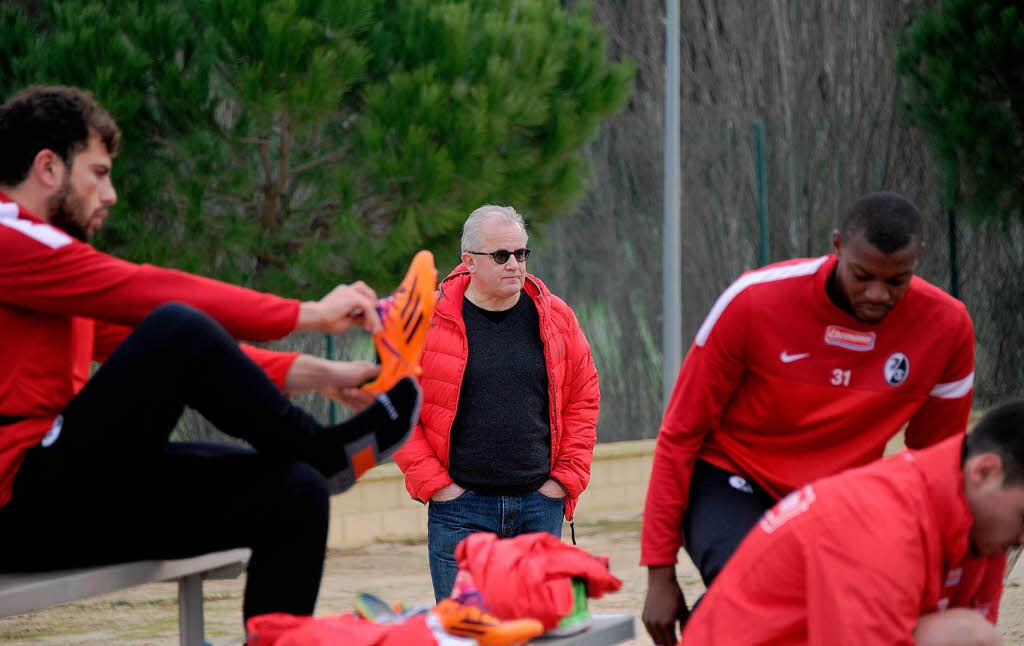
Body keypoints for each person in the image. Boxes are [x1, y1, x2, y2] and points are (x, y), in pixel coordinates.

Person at [0, 85, 423, 623]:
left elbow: (194, 354)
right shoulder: (9, 238)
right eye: (99, 173)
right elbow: (164, 306)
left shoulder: (47, 275)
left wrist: (327, 373)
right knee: (175, 322)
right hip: (20, 505)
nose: (110, 195)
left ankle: (320, 468)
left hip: (67, 501)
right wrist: (309, 313)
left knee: (297, 493)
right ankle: (319, 447)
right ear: (48, 167)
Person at [641, 192, 977, 645]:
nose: (878, 294)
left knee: (843, 614)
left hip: (838, 500)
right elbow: (681, 434)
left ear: (919, 261)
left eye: (898, 280)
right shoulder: (754, 300)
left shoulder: (947, 327)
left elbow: (937, 461)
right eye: (863, 275)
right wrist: (659, 573)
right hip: (734, 481)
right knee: (759, 593)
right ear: (837, 246)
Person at [680, 400, 1024, 645]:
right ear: (984, 471)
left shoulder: (984, 529)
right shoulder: (882, 525)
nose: (1023, 539)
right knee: (967, 636)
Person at [393, 205, 600, 600]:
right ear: (468, 261)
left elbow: (584, 398)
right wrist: (437, 487)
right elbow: (395, 410)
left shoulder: (555, 317)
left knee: (536, 635)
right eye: (501, 256)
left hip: (540, 506)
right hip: (459, 512)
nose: (514, 265)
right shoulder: (425, 322)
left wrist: (563, 481)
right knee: (466, 636)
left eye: (521, 254)